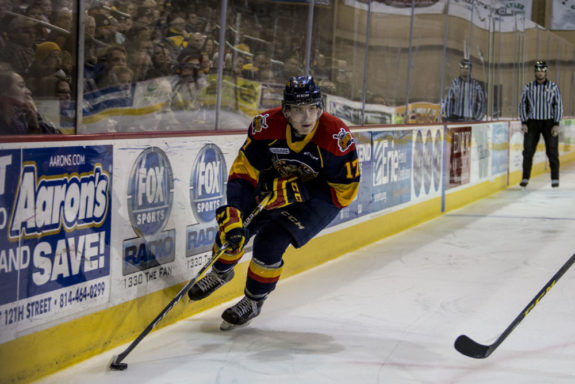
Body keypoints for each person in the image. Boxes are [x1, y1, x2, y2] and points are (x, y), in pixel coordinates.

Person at [187, 75, 360, 330]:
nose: (307, 117)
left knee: (270, 240)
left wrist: (302, 190)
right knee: (234, 227)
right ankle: (221, 271)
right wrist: (235, 207)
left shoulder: (335, 136)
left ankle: (253, 301)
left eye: (313, 108)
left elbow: (345, 189)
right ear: (286, 110)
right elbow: (245, 170)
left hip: (318, 199)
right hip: (273, 185)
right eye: (299, 110)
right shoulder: (265, 126)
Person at [518, 60, 564, 188]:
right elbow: (523, 105)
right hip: (532, 122)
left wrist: (556, 123)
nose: (540, 73)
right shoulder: (528, 87)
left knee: (552, 151)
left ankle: (555, 179)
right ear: (535, 72)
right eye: (538, 70)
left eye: (542, 70)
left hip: (549, 122)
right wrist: (524, 122)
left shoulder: (553, 87)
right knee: (528, 151)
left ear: (546, 72)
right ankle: (525, 178)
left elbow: (558, 105)